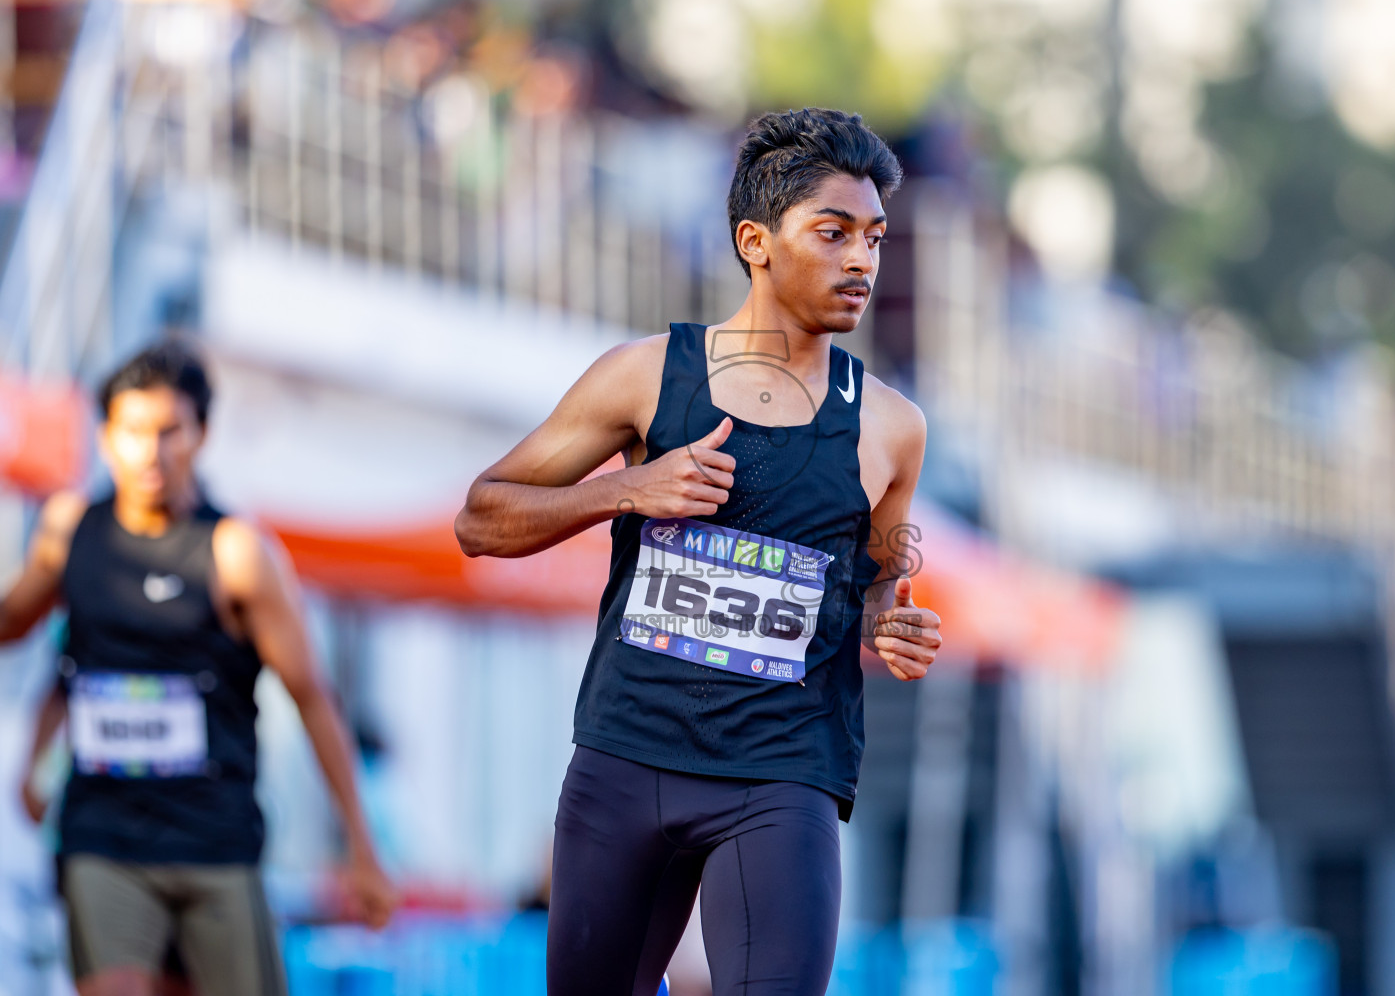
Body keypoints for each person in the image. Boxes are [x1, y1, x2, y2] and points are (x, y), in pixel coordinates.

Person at [455, 107, 942, 995]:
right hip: (626, 757)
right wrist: (623, 489)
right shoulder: (645, 376)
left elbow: (878, 581)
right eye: (831, 234)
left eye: (874, 236)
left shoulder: (893, 427)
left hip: (780, 772)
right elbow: (481, 519)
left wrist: (891, 624)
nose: (862, 259)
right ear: (756, 241)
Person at [0, 340, 396, 996]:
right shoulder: (70, 532)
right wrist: (37, 760)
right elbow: (18, 628)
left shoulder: (237, 553)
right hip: (104, 836)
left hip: (214, 841)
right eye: (131, 432)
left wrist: (362, 846)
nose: (150, 454)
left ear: (202, 435)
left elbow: (313, 696)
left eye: (169, 432)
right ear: (104, 438)